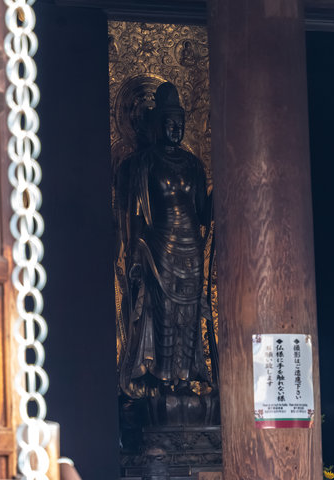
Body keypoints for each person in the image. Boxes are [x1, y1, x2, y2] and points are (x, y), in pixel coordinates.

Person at [116, 82, 216, 404]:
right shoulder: (144, 163)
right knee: (164, 312)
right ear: (158, 125)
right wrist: (134, 254)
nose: (176, 129)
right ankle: (163, 379)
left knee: (189, 313)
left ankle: (185, 378)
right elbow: (135, 213)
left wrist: (223, 189)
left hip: (192, 247)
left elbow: (202, 212)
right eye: (170, 123)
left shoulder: (194, 165)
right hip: (159, 244)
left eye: (180, 124)